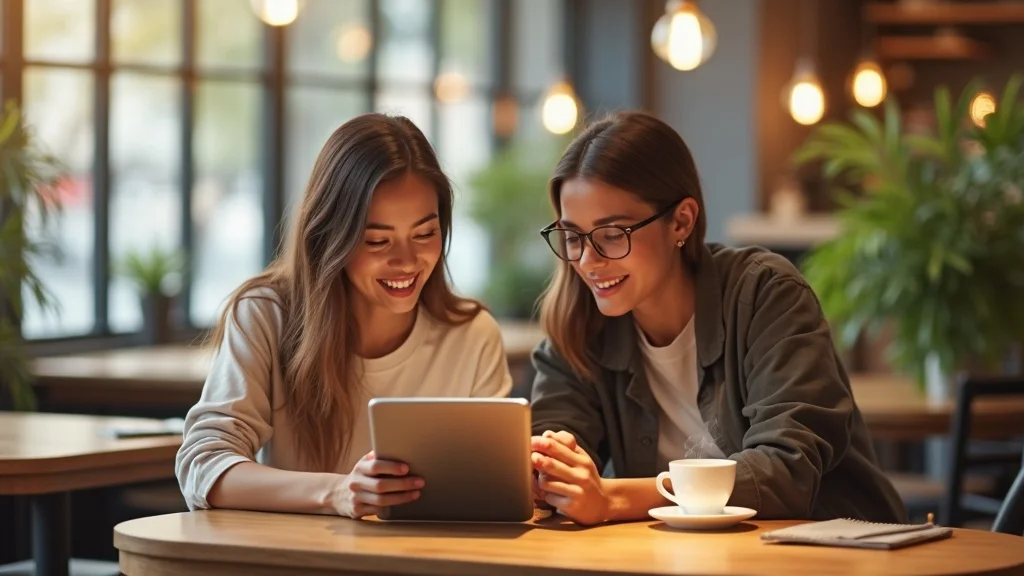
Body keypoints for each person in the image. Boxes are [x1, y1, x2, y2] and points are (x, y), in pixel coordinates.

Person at [528, 111, 906, 526]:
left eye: (613, 234)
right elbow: (558, 445)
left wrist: (616, 498)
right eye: (571, 236)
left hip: (831, 550)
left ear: (682, 221)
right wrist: (547, 470)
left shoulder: (765, 293)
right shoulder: (578, 320)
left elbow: (788, 470)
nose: (588, 260)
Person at [175, 113, 513, 519]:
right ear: (330, 237)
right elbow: (203, 466)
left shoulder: (472, 335)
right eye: (377, 240)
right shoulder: (266, 316)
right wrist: (336, 493)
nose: (406, 261)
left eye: (425, 233)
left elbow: (494, 493)